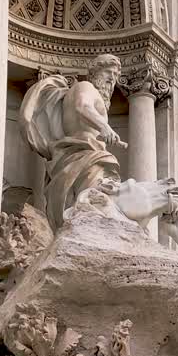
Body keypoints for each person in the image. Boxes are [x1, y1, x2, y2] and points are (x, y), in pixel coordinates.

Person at [21, 54, 125, 229]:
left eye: (115, 76)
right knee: (93, 206)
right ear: (95, 71)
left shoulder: (87, 91)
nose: (112, 79)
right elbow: (82, 106)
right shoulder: (86, 87)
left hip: (77, 154)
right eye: (109, 72)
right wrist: (104, 127)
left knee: (84, 206)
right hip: (84, 153)